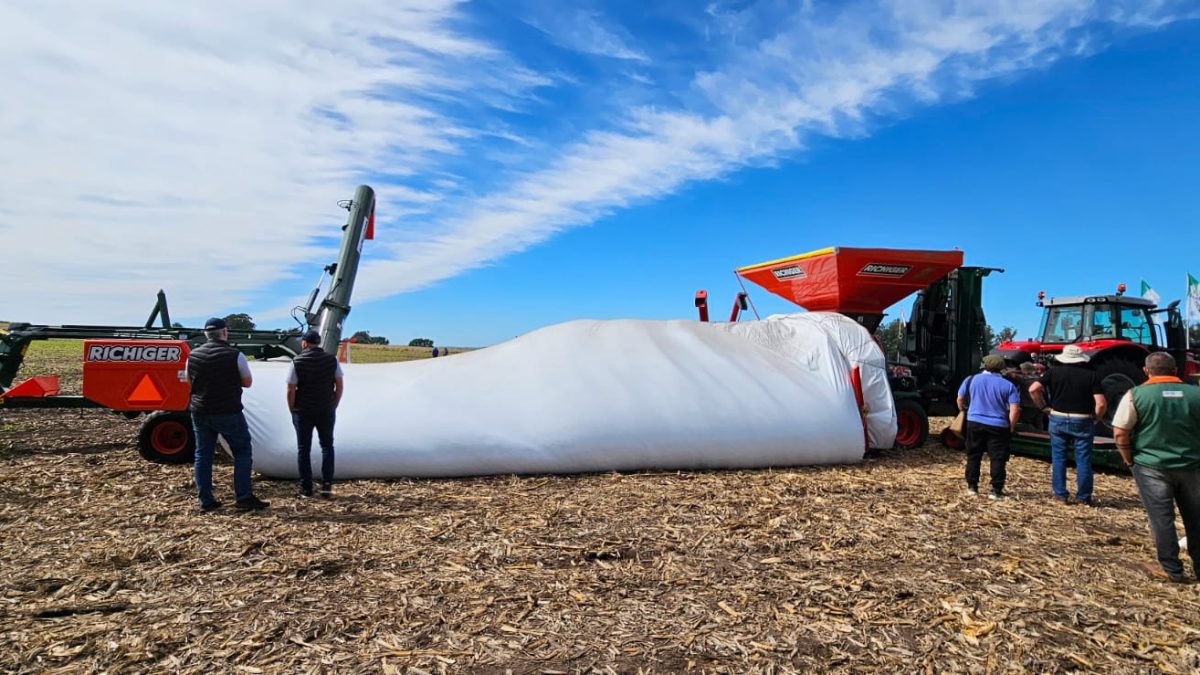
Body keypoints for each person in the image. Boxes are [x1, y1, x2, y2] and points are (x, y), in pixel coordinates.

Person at [1112, 352, 1200, 584]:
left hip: (1151, 466)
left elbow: (1120, 431)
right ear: (1176, 370)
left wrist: (1128, 459)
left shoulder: (1135, 394)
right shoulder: (1196, 394)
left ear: (1146, 371)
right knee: (1196, 519)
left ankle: (1173, 569)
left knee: (1162, 519)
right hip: (1192, 466)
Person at [187, 317, 268, 512]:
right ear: (224, 332)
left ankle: (206, 501)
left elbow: (190, 381)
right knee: (242, 452)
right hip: (228, 411)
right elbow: (247, 382)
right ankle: (243, 496)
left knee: (203, 455)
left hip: (200, 411)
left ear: (206, 334)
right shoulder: (235, 355)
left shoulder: (193, 356)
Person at [1028, 345, 1106, 506]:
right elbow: (1101, 404)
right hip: (1083, 419)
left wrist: (1043, 407)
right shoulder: (1092, 375)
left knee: (1058, 458)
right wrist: (1096, 419)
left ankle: (1060, 495)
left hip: (1058, 418)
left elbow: (1033, 389)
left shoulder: (1053, 373)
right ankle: (1083, 497)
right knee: (1083, 459)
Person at [286, 330, 344, 498]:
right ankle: (326, 486)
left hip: (303, 410)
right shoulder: (332, 360)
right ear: (318, 343)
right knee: (327, 446)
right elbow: (339, 385)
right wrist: (334, 404)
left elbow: (291, 388)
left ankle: (306, 488)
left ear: (304, 343)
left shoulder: (297, 361)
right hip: (326, 409)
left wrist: (292, 408)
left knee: (303, 449)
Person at [956, 354, 1021, 500]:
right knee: (997, 457)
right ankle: (995, 490)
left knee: (974, 455)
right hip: (998, 425)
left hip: (974, 422)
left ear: (984, 365)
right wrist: (1010, 426)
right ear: (1001, 368)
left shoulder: (970, 379)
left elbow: (960, 399)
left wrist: (963, 411)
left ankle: (972, 487)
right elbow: (1015, 409)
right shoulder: (1008, 385)